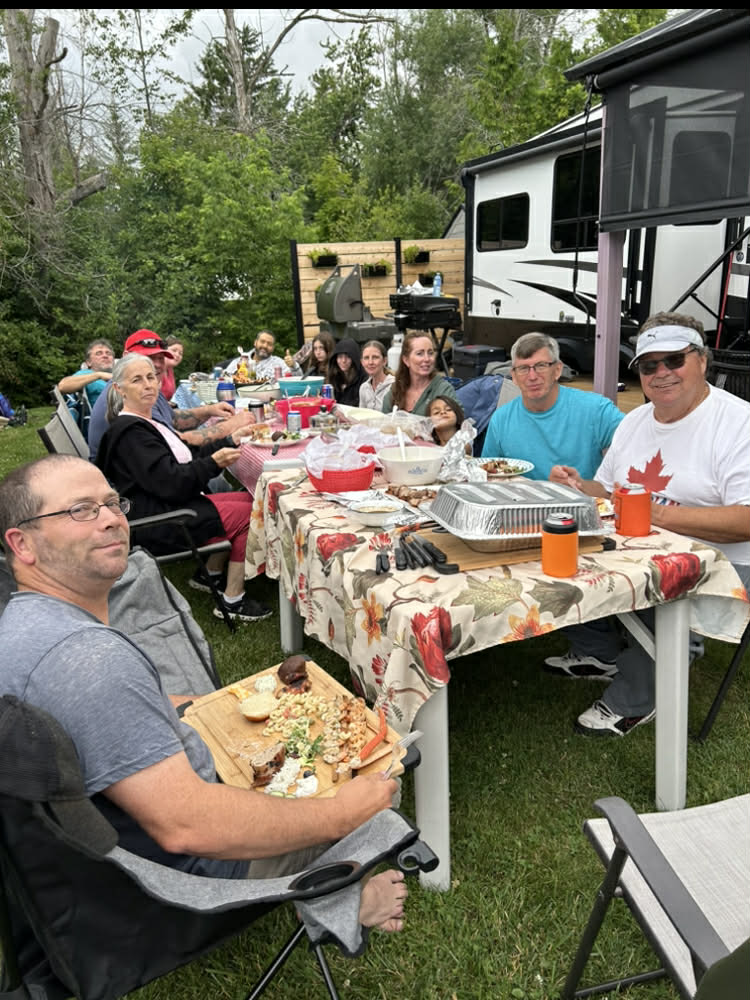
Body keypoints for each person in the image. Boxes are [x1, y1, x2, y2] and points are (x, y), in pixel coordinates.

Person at [0, 455, 408, 930]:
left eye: (112, 503)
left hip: (90, 863)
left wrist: (224, 703)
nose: (112, 518)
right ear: (22, 544)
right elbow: (186, 825)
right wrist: (339, 815)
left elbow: (112, 722)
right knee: (379, 781)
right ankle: (348, 904)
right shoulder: (86, 661)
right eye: (81, 510)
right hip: (181, 878)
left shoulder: (28, 624)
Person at [546, 312, 750, 735]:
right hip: (639, 544)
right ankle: (598, 651)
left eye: (673, 360)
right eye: (648, 365)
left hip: (722, 560)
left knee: (665, 588)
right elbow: (605, 490)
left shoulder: (738, 422)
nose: (661, 374)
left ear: (702, 361)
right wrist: (578, 485)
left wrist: (654, 514)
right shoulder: (636, 421)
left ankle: (640, 694)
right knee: (556, 549)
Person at [95, 355, 271, 623]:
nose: (147, 385)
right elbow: (173, 484)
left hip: (170, 503)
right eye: (137, 380)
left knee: (253, 498)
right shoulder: (131, 434)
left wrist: (230, 439)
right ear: (119, 389)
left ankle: (209, 573)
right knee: (254, 514)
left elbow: (186, 454)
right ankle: (233, 599)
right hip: (162, 519)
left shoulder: (145, 422)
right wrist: (213, 464)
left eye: (151, 377)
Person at [87, 331, 254, 464]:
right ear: (126, 356)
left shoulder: (145, 384)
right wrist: (230, 427)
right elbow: (177, 440)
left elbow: (172, 418)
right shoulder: (130, 394)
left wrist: (209, 410)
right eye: (149, 358)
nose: (157, 364)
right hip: (123, 491)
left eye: (160, 358)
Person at [481, 332, 624, 481]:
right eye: (523, 368)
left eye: (541, 366)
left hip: (580, 501)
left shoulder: (596, 410)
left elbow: (638, 441)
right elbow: (488, 476)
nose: (532, 377)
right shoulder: (501, 420)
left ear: (557, 370)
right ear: (514, 376)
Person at [381, 333, 457, 415]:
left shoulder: (443, 390)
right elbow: (384, 421)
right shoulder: (396, 390)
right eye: (420, 354)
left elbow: (456, 419)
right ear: (406, 360)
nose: (427, 359)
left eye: (430, 353)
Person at [57, 339, 115, 425]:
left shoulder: (119, 376)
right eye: (99, 353)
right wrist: (98, 375)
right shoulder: (86, 374)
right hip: (106, 427)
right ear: (89, 362)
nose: (105, 356)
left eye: (108, 353)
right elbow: (62, 386)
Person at [224, 330, 300, 381]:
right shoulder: (240, 360)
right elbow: (224, 378)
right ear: (255, 342)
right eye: (262, 341)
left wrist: (294, 366)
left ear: (273, 348)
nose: (265, 346)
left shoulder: (279, 363)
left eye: (269, 344)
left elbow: (298, 379)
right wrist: (237, 374)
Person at [328, 338, 367, 406]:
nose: (343, 361)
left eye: (348, 357)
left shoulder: (363, 379)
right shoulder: (334, 378)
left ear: (354, 358)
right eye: (340, 357)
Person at [359, 340, 395, 411]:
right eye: (366, 358)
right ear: (362, 362)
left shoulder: (394, 386)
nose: (370, 362)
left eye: (375, 357)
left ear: (384, 361)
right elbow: (361, 415)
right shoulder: (364, 388)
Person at [160, 335, 184, 401]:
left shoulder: (170, 369)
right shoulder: (156, 370)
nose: (177, 355)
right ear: (164, 350)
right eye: (174, 350)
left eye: (180, 353)